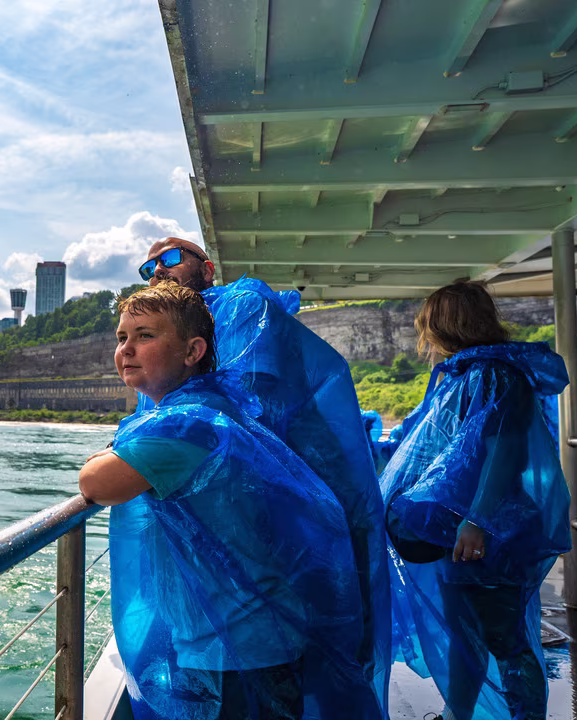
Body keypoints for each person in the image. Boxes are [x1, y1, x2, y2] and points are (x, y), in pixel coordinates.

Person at [80, 282, 369, 719]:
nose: (127, 349)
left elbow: (97, 483)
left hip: (237, 646)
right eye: (122, 337)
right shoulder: (209, 409)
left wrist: (111, 451)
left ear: (193, 351)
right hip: (254, 633)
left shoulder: (187, 425)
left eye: (145, 335)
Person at [138, 237, 390, 717]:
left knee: (320, 632)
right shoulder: (172, 329)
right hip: (255, 508)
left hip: (302, 494)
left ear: (207, 268)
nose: (158, 270)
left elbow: (249, 405)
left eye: (171, 258)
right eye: (148, 265)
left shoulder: (241, 304)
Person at [379, 280, 571, 720]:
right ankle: (456, 715)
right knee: (466, 635)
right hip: (461, 528)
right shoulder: (466, 375)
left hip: (492, 531)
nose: (426, 337)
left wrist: (478, 520)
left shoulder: (495, 375)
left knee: (505, 639)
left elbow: (506, 452)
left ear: (448, 325)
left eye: (430, 326)